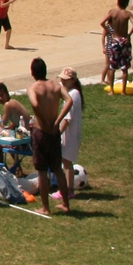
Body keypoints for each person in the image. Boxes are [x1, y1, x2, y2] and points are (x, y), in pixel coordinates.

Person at [26, 58, 70, 215]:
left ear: (32, 73)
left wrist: (44, 121)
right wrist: (57, 121)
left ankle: (46, 207)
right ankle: (65, 203)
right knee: (58, 168)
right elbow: (69, 100)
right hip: (54, 131)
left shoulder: (33, 88)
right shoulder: (55, 86)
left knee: (42, 171)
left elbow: (36, 104)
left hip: (41, 132)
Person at [58, 67, 84, 203]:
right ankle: (68, 189)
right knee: (66, 161)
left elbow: (68, 118)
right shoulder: (74, 93)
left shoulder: (72, 95)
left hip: (70, 134)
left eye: (65, 80)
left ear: (73, 80)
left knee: (67, 162)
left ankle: (68, 190)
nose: (63, 82)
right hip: (72, 133)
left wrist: (58, 133)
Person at [100, 0, 133, 89]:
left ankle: (112, 90)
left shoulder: (113, 13)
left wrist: (109, 31)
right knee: (124, 68)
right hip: (124, 41)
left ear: (118, 2)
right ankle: (123, 91)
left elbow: (102, 22)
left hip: (115, 41)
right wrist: (128, 35)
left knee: (112, 67)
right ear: (127, 2)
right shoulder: (128, 14)